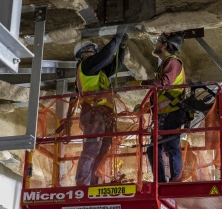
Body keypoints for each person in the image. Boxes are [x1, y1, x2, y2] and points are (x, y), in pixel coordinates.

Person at [70, 31, 128, 186]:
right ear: (82, 55)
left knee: (102, 152)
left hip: (103, 114)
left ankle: (94, 182)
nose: (94, 51)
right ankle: (82, 184)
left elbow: (115, 65)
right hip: (93, 112)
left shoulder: (98, 72)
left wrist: (122, 47)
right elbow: (107, 54)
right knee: (91, 150)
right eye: (90, 49)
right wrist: (118, 37)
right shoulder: (87, 67)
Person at [132, 32, 186, 183]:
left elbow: (165, 83)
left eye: (158, 41)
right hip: (165, 113)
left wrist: (142, 84)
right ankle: (161, 181)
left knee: (170, 146)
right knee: (153, 148)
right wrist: (148, 107)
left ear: (165, 45)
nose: (155, 44)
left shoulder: (173, 62)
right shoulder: (167, 63)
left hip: (172, 112)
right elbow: (163, 93)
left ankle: (174, 181)